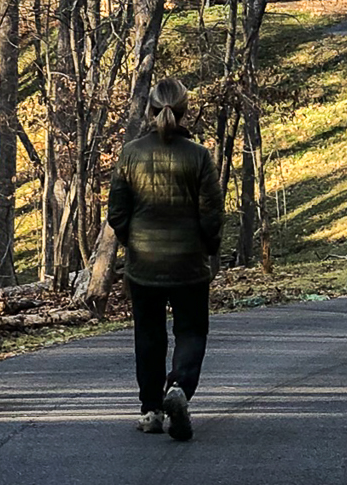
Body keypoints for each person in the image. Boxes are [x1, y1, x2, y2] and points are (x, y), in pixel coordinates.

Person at [107, 77, 224, 441]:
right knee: (190, 331)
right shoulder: (199, 155)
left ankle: (151, 411)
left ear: (150, 109)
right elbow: (211, 212)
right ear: (185, 109)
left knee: (149, 335)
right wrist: (209, 247)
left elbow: (117, 211)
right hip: (189, 264)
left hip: (144, 264)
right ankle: (180, 388)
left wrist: (132, 242)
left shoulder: (131, 153)